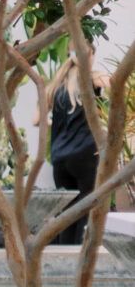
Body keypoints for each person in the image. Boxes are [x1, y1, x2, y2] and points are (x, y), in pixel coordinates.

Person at [49, 60, 106, 244]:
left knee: (67, 212)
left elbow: (37, 119)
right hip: (84, 154)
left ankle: (64, 260)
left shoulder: (56, 88)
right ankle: (80, 259)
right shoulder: (91, 79)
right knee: (87, 206)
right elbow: (111, 83)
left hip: (59, 158)